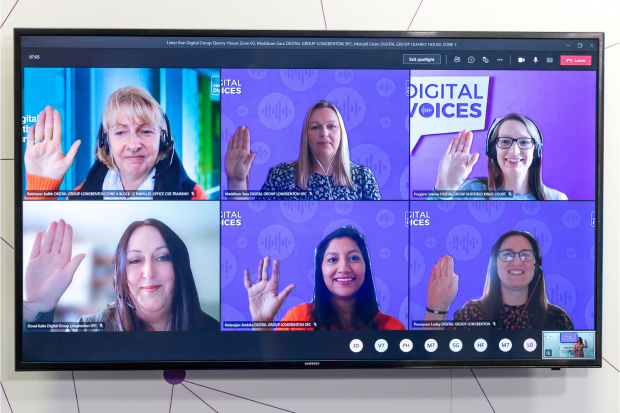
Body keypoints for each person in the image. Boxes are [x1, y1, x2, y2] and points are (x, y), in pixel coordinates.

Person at [23, 219, 218, 331]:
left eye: (162, 257)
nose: (149, 272)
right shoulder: (89, 329)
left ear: (180, 266)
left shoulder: (213, 333)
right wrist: (37, 309)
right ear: (121, 274)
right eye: (135, 260)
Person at [24, 86, 207, 200]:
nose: (134, 144)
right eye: (121, 132)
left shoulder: (193, 195)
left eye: (145, 131)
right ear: (106, 141)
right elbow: (44, 251)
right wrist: (42, 186)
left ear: (163, 139)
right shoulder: (81, 195)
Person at [244, 226, 405, 331]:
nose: (343, 268)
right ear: (320, 269)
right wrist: (262, 323)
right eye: (332, 260)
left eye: (354, 258)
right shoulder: (299, 319)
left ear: (366, 267)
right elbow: (270, 370)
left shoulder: (391, 328)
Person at [225, 100, 381, 200]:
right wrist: (236, 182)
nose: (324, 133)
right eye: (315, 127)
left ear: (341, 133)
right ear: (306, 135)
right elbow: (251, 224)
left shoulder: (363, 178)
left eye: (331, 126)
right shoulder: (281, 175)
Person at [423, 230, 574, 330]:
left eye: (525, 255)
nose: (516, 262)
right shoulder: (471, 314)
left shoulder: (557, 318)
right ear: (495, 264)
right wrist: (436, 307)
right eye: (507, 254)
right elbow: (432, 354)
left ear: (537, 266)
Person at [431, 113, 567, 200]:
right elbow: (431, 230)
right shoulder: (471, 191)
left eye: (524, 142)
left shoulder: (556, 199)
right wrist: (444, 188)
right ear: (492, 150)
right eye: (505, 141)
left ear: (536, 151)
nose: (514, 151)